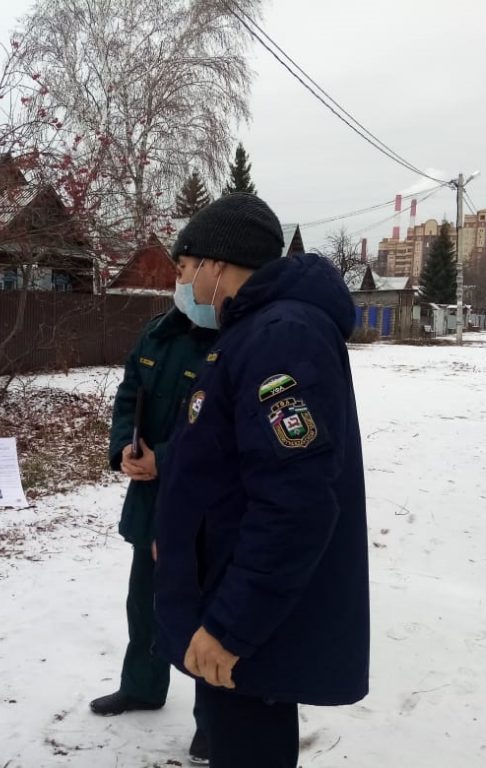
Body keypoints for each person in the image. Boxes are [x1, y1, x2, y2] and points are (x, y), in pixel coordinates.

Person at [154, 194, 370, 768]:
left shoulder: (281, 336)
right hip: (228, 588)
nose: (183, 284)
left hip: (244, 615)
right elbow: (225, 463)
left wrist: (230, 628)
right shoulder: (252, 331)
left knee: (248, 747)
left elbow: (294, 502)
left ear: (216, 264)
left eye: (185, 269)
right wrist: (177, 539)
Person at [90, 306, 216, 764]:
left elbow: (219, 428)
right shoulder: (158, 333)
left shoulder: (231, 338)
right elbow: (129, 397)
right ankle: (142, 686)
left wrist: (163, 457)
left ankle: (214, 722)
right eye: (177, 272)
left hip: (203, 499)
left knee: (206, 611)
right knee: (144, 601)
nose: (183, 281)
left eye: (188, 272)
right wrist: (126, 447)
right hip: (151, 497)